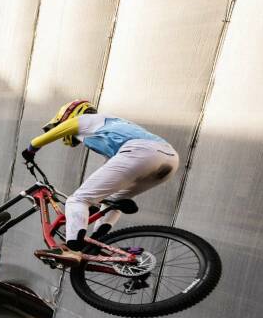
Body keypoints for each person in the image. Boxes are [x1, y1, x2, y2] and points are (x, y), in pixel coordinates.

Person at [22, 100, 179, 263]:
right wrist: (95, 204)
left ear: (68, 116)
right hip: (169, 159)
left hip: (141, 152)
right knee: (113, 200)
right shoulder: (110, 125)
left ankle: (72, 248)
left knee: (77, 200)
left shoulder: (86, 120)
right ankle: (97, 242)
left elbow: (49, 135)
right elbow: (110, 172)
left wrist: (31, 149)